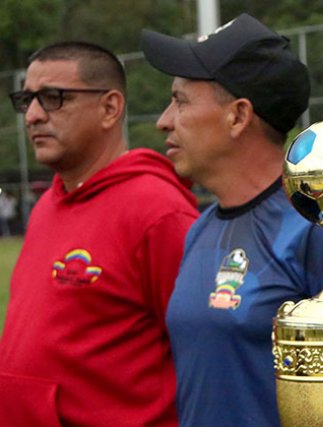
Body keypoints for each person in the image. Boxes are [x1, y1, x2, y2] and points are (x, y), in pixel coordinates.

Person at [140, 14, 323, 426]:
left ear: (238, 116)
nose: (164, 120)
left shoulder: (321, 229)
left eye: (181, 101)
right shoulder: (201, 228)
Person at [0, 42, 198, 426]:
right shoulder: (47, 206)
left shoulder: (158, 210)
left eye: (53, 98)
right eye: (27, 100)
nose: (34, 116)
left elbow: (205, 355)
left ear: (110, 108)